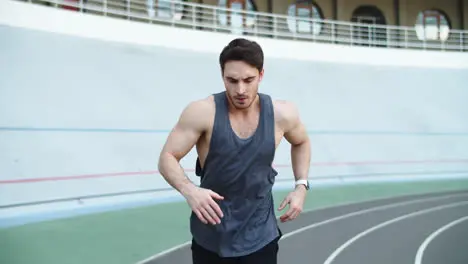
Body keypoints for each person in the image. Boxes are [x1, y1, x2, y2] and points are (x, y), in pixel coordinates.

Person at [158, 38, 311, 263]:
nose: (240, 90)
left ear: (261, 75)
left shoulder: (282, 114)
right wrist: (189, 190)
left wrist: (301, 186)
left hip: (261, 237)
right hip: (211, 237)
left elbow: (301, 142)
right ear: (222, 76)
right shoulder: (202, 112)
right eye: (232, 80)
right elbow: (167, 157)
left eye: (248, 80)